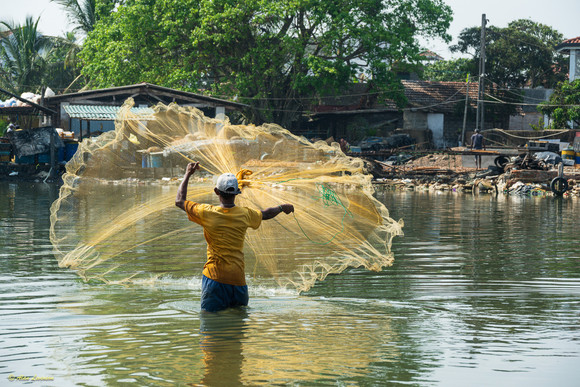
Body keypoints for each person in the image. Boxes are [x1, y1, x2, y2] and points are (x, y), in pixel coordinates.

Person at [175, 162, 295, 312]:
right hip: (238, 281)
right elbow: (266, 214)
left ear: (216, 192)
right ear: (237, 193)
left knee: (211, 326)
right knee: (238, 328)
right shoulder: (245, 214)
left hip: (215, 279)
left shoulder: (206, 212)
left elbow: (179, 201)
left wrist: (188, 173)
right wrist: (282, 208)